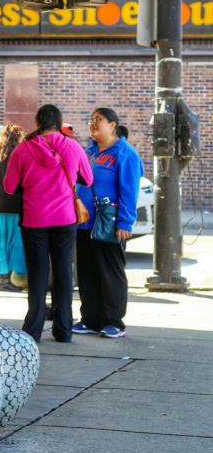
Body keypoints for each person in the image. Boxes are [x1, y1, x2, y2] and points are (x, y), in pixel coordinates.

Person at [4, 104, 94, 343]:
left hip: (34, 220)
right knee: (64, 272)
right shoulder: (73, 146)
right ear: (58, 122)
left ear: (37, 123)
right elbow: (88, 178)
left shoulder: (23, 149)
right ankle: (63, 331)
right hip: (65, 219)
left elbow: (9, 186)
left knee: (37, 274)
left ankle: (33, 330)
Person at [72, 108, 144, 339]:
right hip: (84, 223)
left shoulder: (125, 153)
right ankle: (90, 320)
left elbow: (130, 190)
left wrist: (125, 222)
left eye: (98, 120)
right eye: (91, 120)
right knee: (87, 272)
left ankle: (114, 322)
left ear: (112, 124)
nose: (92, 124)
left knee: (110, 272)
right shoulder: (89, 152)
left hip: (110, 223)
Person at [0, 124, 27, 292]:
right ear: (18, 138)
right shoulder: (16, 156)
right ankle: (6, 281)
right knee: (13, 245)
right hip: (13, 207)